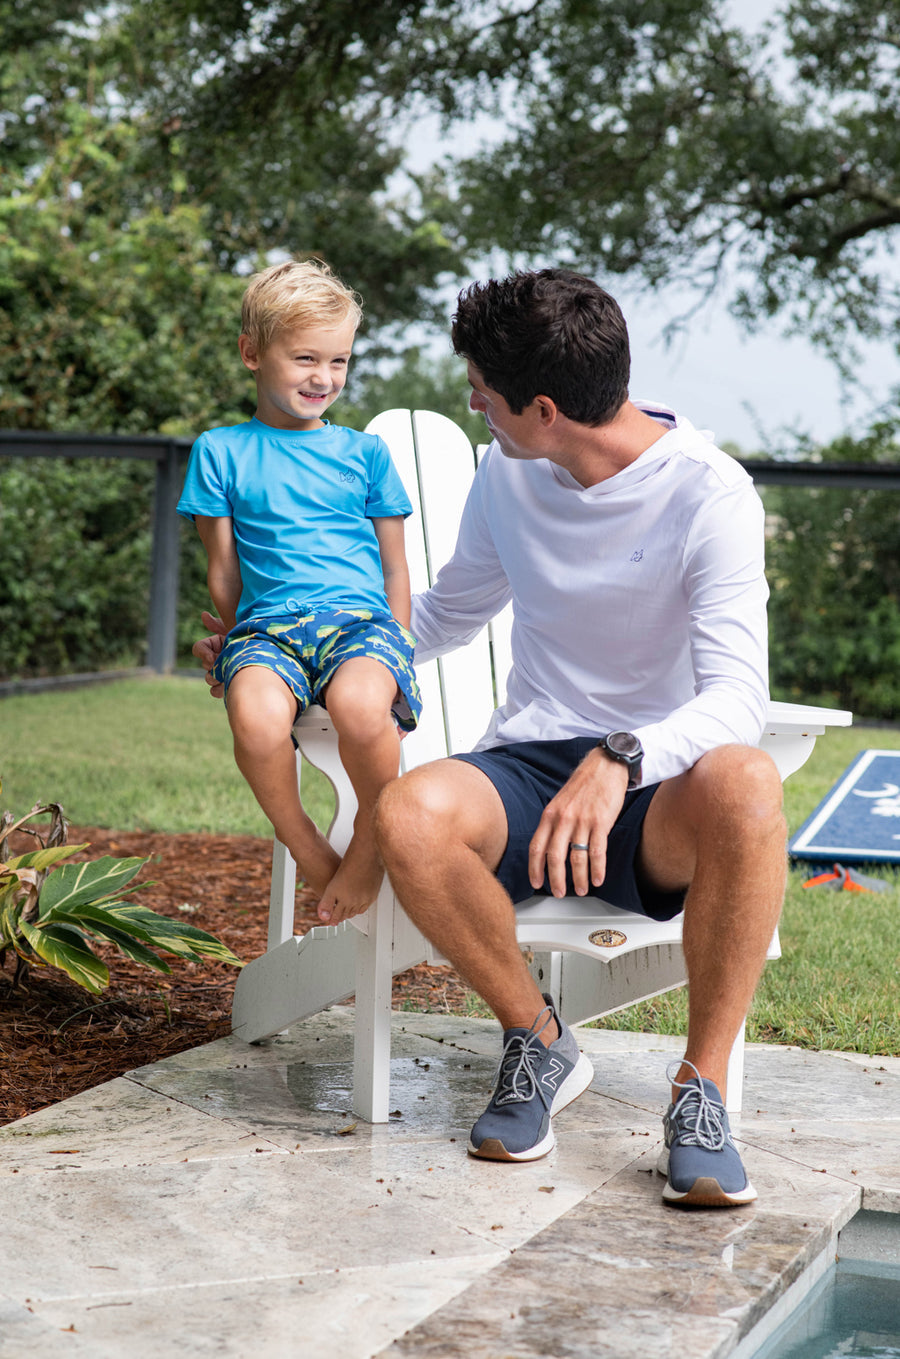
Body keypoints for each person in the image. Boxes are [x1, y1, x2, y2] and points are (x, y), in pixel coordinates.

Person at [196, 267, 786, 1210]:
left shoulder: (710, 494)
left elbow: (738, 697)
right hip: (529, 767)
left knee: (749, 780)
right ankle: (537, 1037)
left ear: (544, 409)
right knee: (410, 812)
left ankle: (700, 1090)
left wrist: (621, 756)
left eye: (482, 391)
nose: (472, 404)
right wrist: (287, 646)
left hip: (657, 786)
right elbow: (445, 613)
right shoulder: (510, 470)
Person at [178, 258, 421, 927]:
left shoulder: (364, 454)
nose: (324, 378)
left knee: (362, 707)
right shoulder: (220, 451)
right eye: (306, 358)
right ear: (252, 354)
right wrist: (235, 643)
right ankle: (305, 841)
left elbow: (395, 569)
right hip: (268, 629)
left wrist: (397, 640)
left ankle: (371, 836)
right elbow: (223, 570)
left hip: (359, 626)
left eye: (338, 361)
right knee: (255, 716)